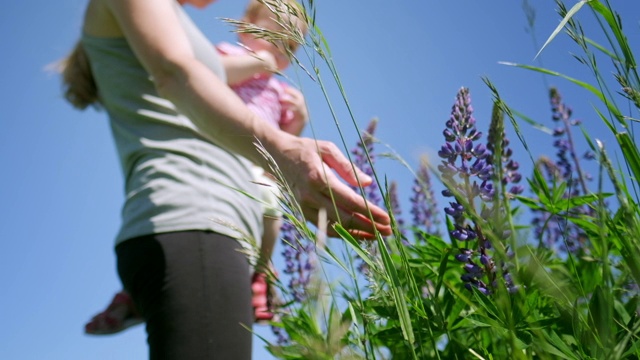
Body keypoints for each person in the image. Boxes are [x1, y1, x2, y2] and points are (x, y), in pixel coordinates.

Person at [60, 0, 390, 358]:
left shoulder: (174, 20)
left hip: (214, 229)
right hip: (196, 222)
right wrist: (284, 149)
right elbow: (177, 72)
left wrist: (291, 140)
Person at [83, 0, 309, 334]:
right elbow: (193, 78)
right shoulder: (224, 56)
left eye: (290, 47)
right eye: (275, 36)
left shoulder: (280, 91)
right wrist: (255, 63)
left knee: (272, 209)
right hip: (198, 206)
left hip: (240, 195)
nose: (281, 51)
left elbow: (280, 145)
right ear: (247, 26)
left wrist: (298, 124)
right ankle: (133, 296)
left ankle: (260, 273)